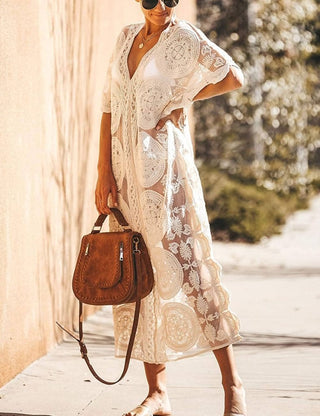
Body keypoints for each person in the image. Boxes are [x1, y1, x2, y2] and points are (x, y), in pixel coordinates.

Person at [95, 1, 247, 415]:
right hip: (126, 179)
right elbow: (109, 104)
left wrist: (187, 99)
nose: (161, 6)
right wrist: (103, 171)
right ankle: (157, 393)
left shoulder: (183, 38)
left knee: (192, 270)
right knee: (139, 276)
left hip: (168, 175)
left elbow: (233, 76)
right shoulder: (126, 37)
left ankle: (232, 388)